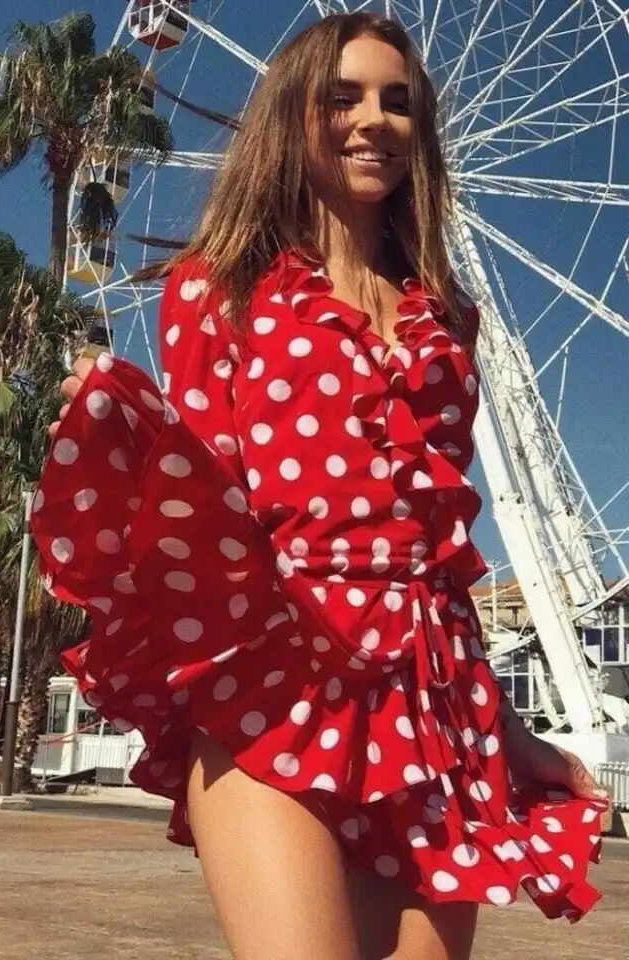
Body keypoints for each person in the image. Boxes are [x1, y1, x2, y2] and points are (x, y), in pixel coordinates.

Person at [35, 12, 607, 960]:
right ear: (291, 117)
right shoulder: (217, 289)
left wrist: (510, 732)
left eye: (398, 101)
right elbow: (207, 503)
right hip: (278, 676)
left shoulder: (446, 321)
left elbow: (439, 556)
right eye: (342, 97)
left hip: (435, 699)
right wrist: (123, 442)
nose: (374, 119)